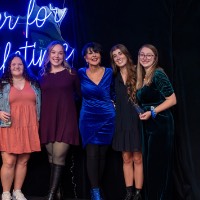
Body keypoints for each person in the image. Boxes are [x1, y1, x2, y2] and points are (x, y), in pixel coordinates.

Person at [39, 41, 80, 200]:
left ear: (64, 55)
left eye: (60, 53)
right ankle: (57, 193)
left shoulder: (72, 73)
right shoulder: (42, 74)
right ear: (48, 55)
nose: (57, 56)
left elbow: (79, 95)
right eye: (53, 53)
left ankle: (50, 195)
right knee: (51, 157)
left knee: (58, 156)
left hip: (66, 120)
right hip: (47, 121)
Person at [136, 44, 177, 200]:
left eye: (149, 55)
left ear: (155, 58)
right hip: (149, 125)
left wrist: (152, 112)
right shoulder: (144, 76)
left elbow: (172, 100)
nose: (145, 58)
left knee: (157, 166)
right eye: (142, 55)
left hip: (161, 124)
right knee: (151, 166)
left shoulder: (158, 74)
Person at [0, 54, 41, 200]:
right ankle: (5, 193)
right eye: (13, 65)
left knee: (23, 161)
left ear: (24, 66)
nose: (17, 67)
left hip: (29, 126)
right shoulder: (2, 84)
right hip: (9, 126)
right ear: (9, 67)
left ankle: (17, 191)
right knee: (9, 161)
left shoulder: (34, 83)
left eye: (19, 64)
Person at [78, 42, 115, 200]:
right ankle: (95, 192)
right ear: (85, 58)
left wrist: (116, 102)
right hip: (88, 118)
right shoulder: (80, 73)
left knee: (102, 155)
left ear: (100, 56)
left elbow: (116, 90)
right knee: (92, 153)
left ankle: (97, 188)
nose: (94, 55)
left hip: (107, 117)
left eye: (97, 53)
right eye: (90, 53)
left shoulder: (109, 72)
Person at [110, 44, 143, 200]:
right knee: (126, 158)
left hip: (136, 121)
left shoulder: (138, 71)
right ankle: (128, 193)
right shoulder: (114, 77)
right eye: (115, 56)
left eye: (120, 54)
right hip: (121, 121)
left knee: (137, 158)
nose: (118, 57)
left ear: (126, 54)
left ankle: (138, 193)